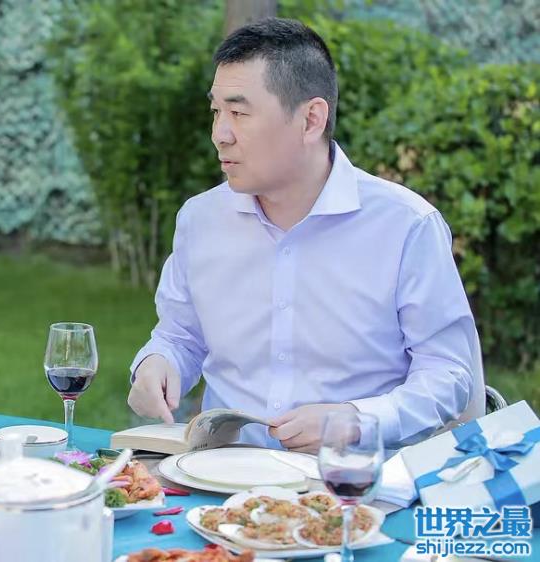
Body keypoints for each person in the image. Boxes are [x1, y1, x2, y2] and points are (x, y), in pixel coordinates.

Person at [127, 18, 484, 454]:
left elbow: (449, 375)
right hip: (222, 474)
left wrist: (357, 420)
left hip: (357, 480)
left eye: (239, 113)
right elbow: (180, 336)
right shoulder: (201, 220)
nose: (219, 134)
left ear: (311, 119)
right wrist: (157, 363)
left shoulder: (406, 226)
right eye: (216, 112)